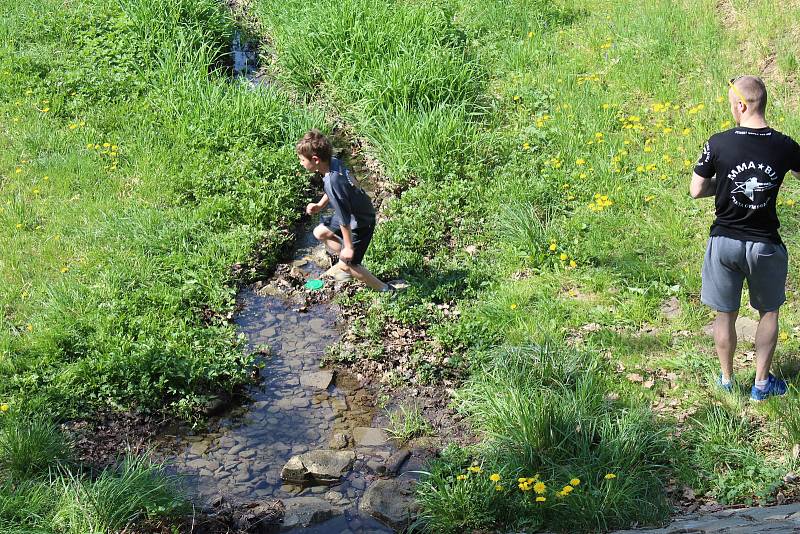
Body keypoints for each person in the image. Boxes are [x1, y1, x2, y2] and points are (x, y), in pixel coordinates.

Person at [690, 75, 800, 401]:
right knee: (769, 313)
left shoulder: (719, 142)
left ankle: (726, 381)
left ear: (741, 105)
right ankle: (762, 385)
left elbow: (696, 189)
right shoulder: (784, 145)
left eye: (731, 105)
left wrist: (721, 185)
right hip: (765, 244)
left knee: (725, 314)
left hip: (724, 242)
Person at [296, 129, 392, 292]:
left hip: (360, 222)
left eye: (302, 160)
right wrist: (320, 205)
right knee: (320, 232)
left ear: (315, 159)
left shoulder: (333, 182)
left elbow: (344, 220)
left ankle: (385, 289)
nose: (301, 163)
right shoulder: (333, 163)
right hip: (357, 210)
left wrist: (348, 246)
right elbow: (338, 192)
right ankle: (348, 259)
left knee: (347, 265)